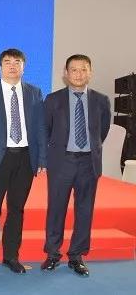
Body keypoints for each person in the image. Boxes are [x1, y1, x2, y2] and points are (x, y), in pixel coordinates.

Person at [0, 49, 46, 274]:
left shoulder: (35, 93)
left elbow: (40, 128)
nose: (12, 66)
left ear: (23, 67)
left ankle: (11, 256)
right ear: (0, 67)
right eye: (7, 62)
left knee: (17, 209)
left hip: (25, 158)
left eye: (17, 62)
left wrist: (42, 158)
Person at [41, 54, 111, 277]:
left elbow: (102, 131)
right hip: (62, 162)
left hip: (88, 163)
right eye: (74, 69)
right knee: (56, 209)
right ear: (66, 73)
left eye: (83, 69)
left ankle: (77, 255)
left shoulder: (101, 100)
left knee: (84, 210)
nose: (79, 74)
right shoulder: (53, 100)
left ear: (90, 72)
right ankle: (53, 254)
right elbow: (45, 129)